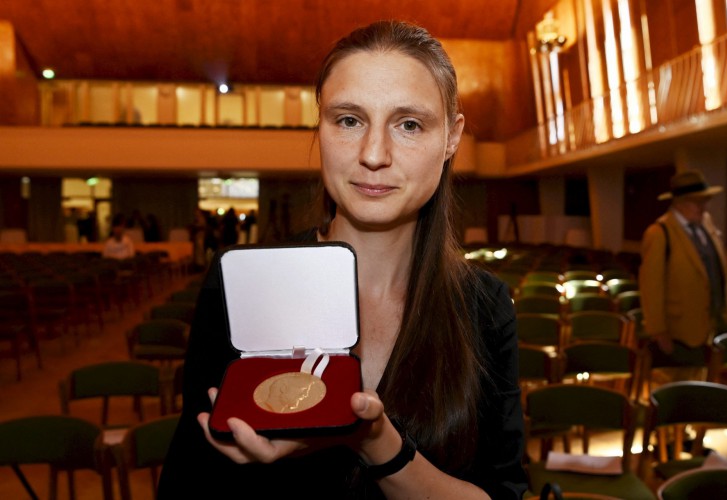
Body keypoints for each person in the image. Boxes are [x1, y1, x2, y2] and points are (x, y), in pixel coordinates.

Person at [159, 20, 526, 499]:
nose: (374, 154)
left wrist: (376, 443)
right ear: (321, 126)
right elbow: (187, 485)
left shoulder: (486, 307)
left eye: (409, 124)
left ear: (452, 136)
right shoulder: (244, 283)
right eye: (349, 120)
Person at [639, 169, 727, 372]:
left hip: (711, 324)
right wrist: (659, 331)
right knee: (680, 391)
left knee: (704, 390)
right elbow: (651, 286)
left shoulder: (705, 224)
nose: (703, 207)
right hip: (679, 332)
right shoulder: (659, 233)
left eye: (705, 201)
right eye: (697, 202)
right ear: (679, 203)